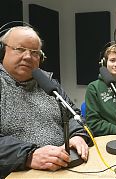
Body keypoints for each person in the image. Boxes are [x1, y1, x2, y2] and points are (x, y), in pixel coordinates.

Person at [0, 26, 91, 178]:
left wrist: (77, 135)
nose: (28, 56)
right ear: (2, 51)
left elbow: (73, 115)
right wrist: (29, 156)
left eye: (35, 52)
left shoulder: (49, 83)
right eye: (20, 49)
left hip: (65, 168)